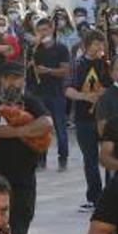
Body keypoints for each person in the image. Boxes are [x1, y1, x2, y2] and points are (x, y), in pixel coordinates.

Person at [0, 61, 54, 234]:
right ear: (0, 80)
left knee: (18, 232)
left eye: (17, 78)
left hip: (23, 179)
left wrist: (15, 132)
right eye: (7, 78)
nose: (12, 83)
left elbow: (47, 124)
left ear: (23, 80)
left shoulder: (31, 103)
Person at [65, 32, 110, 211]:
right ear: (86, 45)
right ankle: (94, 197)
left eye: (102, 44)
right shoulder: (77, 65)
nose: (100, 48)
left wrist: (103, 94)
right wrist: (85, 96)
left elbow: (115, 85)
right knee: (90, 159)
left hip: (106, 117)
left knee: (109, 155)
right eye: (96, 44)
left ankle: (110, 195)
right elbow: (67, 89)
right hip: (84, 118)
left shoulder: (106, 65)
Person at [28, 16, 71, 171]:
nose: (42, 33)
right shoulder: (35, 50)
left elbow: (65, 70)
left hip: (57, 93)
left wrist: (49, 71)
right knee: (42, 127)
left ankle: (63, 158)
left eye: (45, 30)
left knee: (60, 127)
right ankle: (41, 159)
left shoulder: (61, 48)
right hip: (39, 93)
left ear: (52, 30)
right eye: (39, 31)